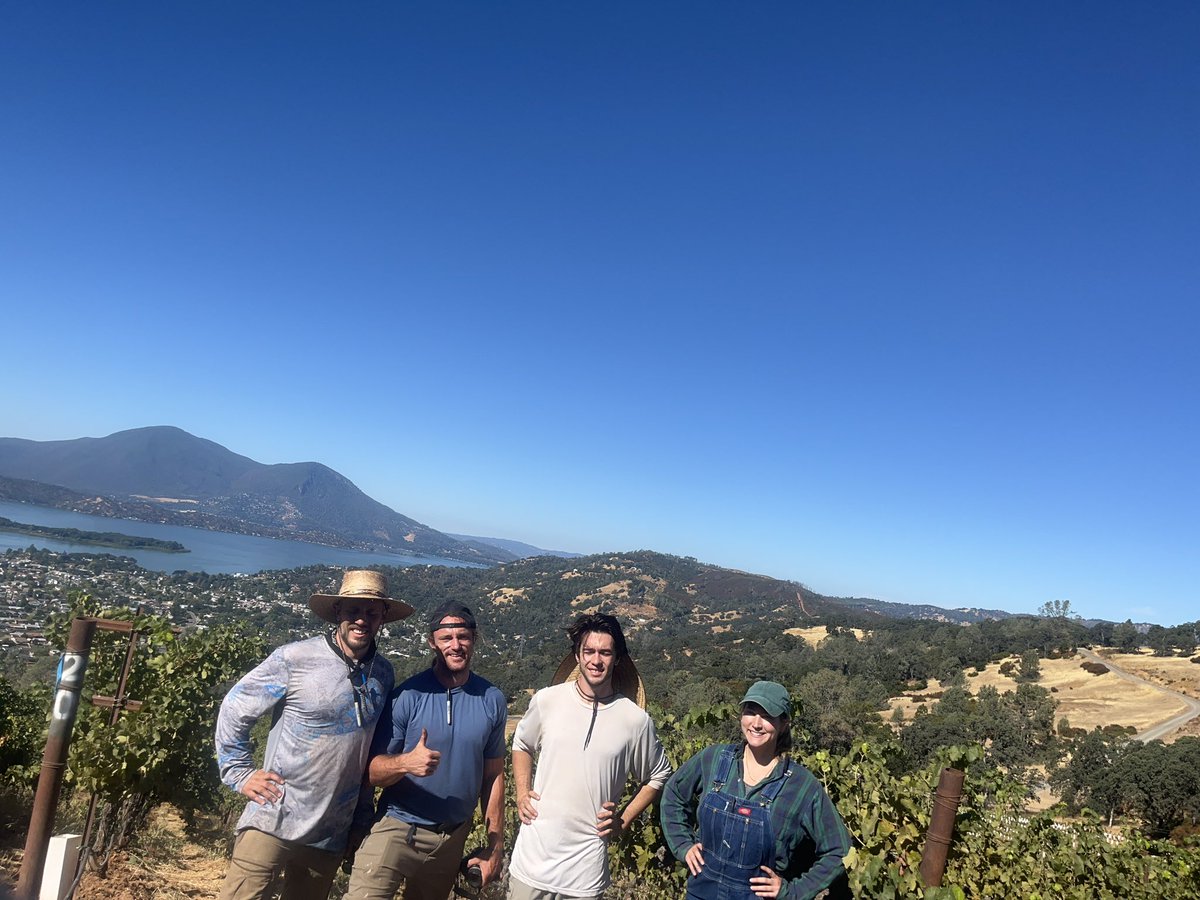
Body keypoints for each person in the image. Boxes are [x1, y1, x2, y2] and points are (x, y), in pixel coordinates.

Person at [215, 569, 411, 900]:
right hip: (273, 816)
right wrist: (239, 772)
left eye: (371, 612)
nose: (361, 620)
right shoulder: (295, 658)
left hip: (331, 832)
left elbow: (366, 751)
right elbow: (235, 707)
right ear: (338, 612)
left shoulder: (383, 674)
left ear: (382, 618)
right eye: (353, 611)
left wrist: (360, 819)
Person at [345, 601, 506, 900]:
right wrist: (406, 762)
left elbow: (494, 776)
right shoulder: (407, 696)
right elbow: (373, 773)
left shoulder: (492, 699)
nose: (456, 645)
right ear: (432, 642)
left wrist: (495, 845)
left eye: (463, 637)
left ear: (474, 639)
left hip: (451, 838)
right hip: (397, 828)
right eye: (446, 638)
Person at [508, 613, 672, 900]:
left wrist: (624, 819)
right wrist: (522, 792)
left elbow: (659, 774)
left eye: (605, 652)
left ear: (617, 658)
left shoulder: (635, 720)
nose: (596, 660)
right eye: (589, 651)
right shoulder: (547, 700)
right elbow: (522, 743)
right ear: (577, 655)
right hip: (532, 862)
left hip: (585, 872)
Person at [660, 682, 850, 900]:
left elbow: (838, 850)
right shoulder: (713, 759)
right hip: (701, 893)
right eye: (750, 712)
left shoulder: (802, 786)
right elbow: (673, 794)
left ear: (784, 723)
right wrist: (683, 845)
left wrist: (794, 891)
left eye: (768, 716)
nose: (757, 724)